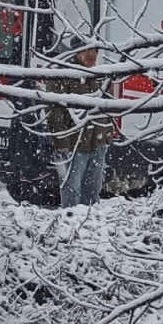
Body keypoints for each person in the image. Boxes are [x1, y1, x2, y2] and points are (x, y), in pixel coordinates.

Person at [43, 37, 115, 207]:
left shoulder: (98, 75)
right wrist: (61, 142)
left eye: (95, 52)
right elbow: (55, 112)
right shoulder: (63, 74)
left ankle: (88, 224)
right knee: (71, 189)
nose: (93, 56)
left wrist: (106, 136)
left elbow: (106, 106)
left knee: (93, 190)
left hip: (97, 143)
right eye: (89, 51)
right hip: (73, 145)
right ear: (77, 52)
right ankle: (70, 223)